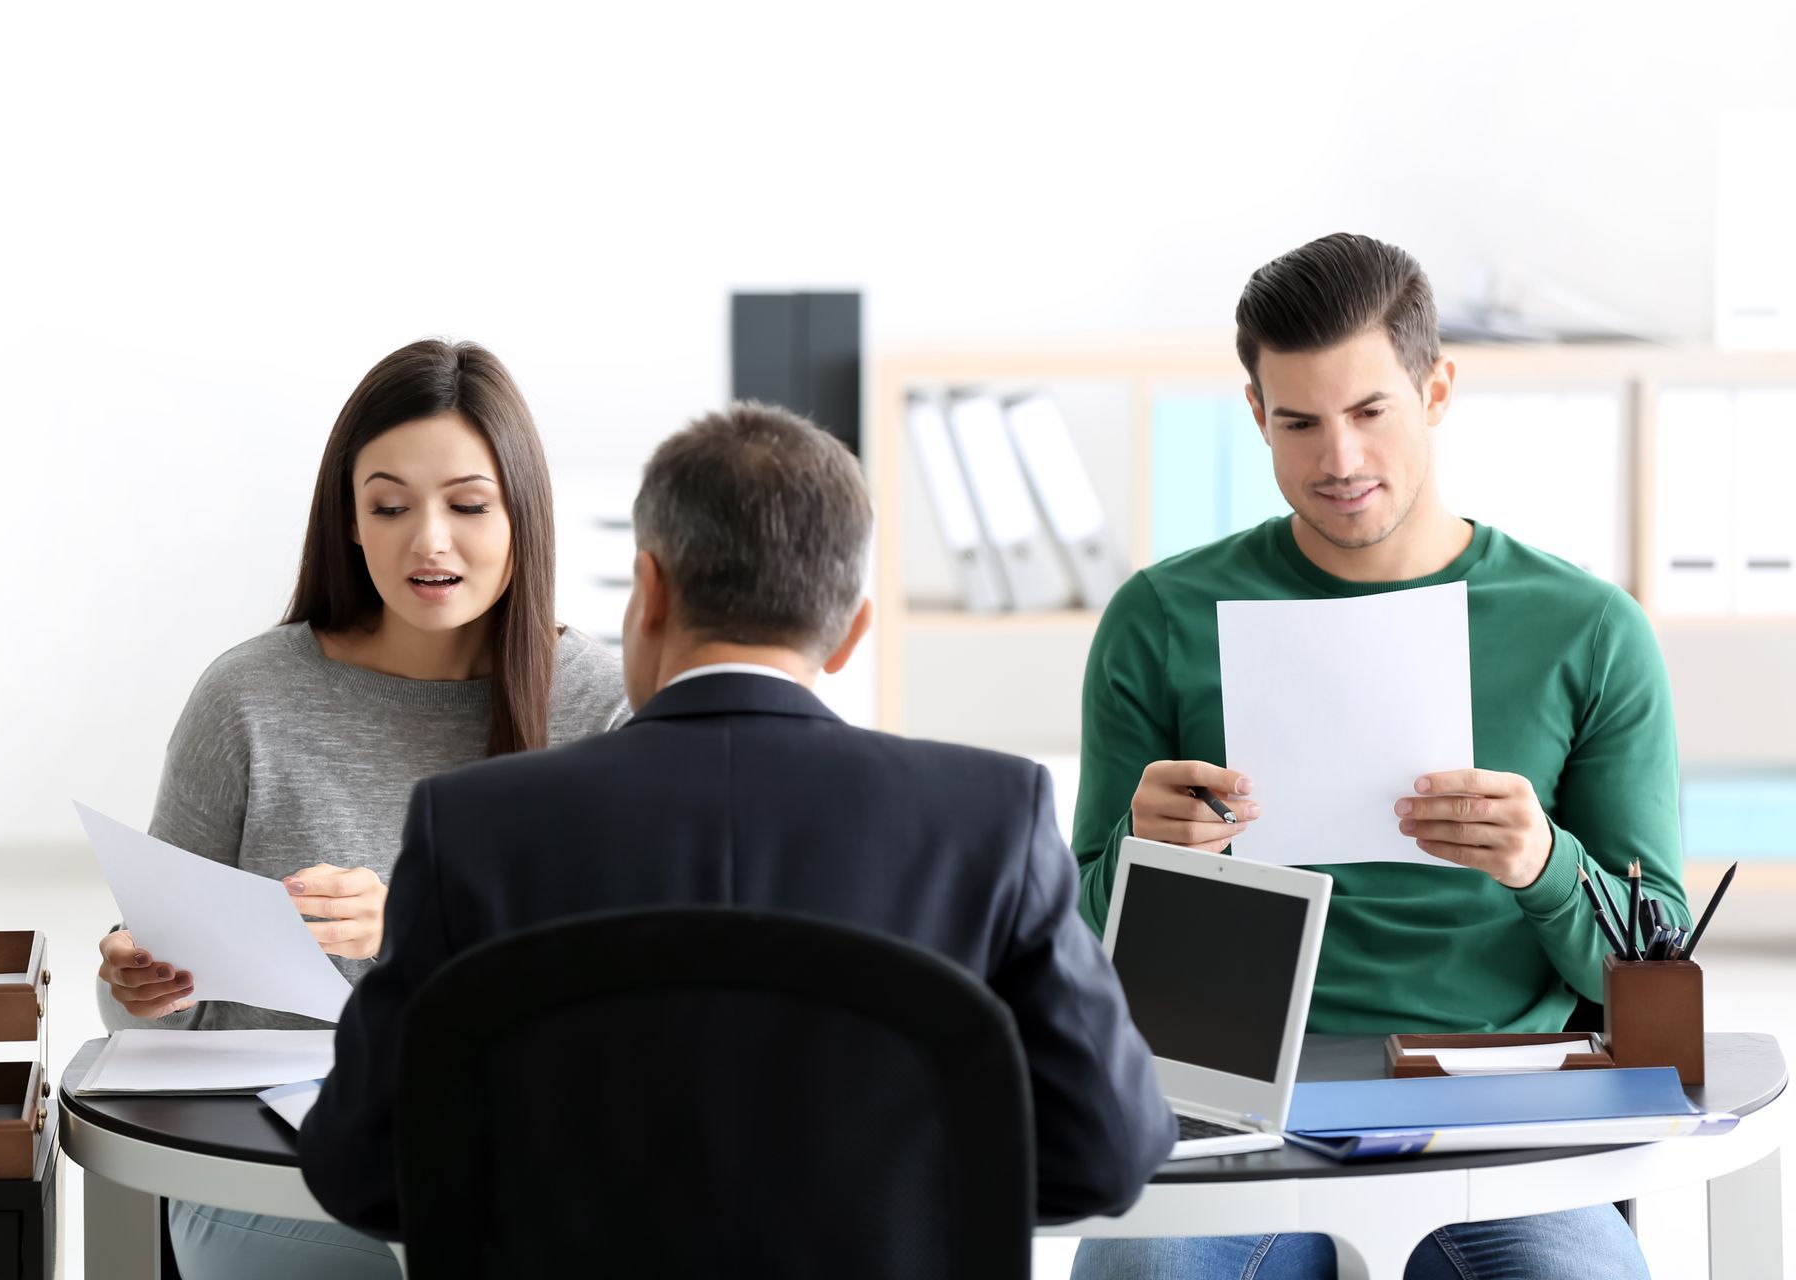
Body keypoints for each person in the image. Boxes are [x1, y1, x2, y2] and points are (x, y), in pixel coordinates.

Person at [298, 401, 1176, 1239]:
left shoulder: (475, 827)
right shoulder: (991, 821)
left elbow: (357, 1166)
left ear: (649, 592)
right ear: (849, 633)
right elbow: (1109, 1151)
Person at [1069, 234, 1684, 1279]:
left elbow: (1653, 969)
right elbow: (1077, 941)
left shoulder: (1588, 628)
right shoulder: (1160, 617)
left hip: (1495, 1103)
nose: (1339, 461)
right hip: (1239, 1099)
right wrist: (1143, 849)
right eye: (1299, 422)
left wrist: (1545, 862)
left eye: (1369, 413)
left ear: (1436, 389)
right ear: (1256, 415)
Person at [94, 338, 630, 1280]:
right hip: (279, 1179)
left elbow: (627, 993)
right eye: (389, 506)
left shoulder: (602, 706)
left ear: (523, 517)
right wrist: (142, 982)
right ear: (349, 520)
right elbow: (157, 1018)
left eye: (467, 505)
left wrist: (419, 928)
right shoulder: (249, 697)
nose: (429, 540)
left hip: (522, 1166)